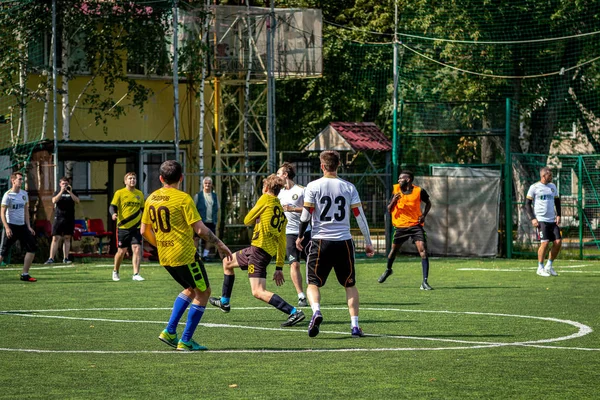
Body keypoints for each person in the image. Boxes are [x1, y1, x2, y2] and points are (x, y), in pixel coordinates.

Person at [141, 160, 233, 351]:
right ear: (181, 178)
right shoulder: (183, 199)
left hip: (165, 256)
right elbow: (200, 229)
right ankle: (186, 340)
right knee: (204, 292)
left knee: (191, 289)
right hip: (185, 256)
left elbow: (143, 231)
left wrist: (160, 244)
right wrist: (220, 244)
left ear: (160, 178)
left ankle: (170, 331)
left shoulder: (151, 198)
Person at [208, 174, 306, 328]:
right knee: (227, 262)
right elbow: (281, 242)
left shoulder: (265, 199)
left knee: (258, 291)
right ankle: (224, 302)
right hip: (262, 251)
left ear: (266, 188)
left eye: (263, 186)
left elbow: (247, 220)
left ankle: (294, 312)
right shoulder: (281, 212)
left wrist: (258, 216)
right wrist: (279, 267)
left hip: (259, 251)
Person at [296, 150, 375, 338]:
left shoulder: (313, 186)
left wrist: (300, 236)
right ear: (338, 165)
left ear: (322, 166)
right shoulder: (349, 187)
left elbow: (306, 215)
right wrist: (369, 241)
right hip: (344, 242)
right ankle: (355, 326)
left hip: (320, 240)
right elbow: (360, 217)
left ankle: (316, 311)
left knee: (313, 283)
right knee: (350, 285)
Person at [377, 170, 433, 290]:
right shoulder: (396, 190)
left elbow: (428, 203)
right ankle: (388, 270)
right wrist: (393, 201)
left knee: (423, 250)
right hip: (400, 226)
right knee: (393, 251)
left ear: (408, 180)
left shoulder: (419, 191)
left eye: (401, 178)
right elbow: (388, 208)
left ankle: (424, 282)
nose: (398, 180)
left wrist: (424, 215)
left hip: (415, 225)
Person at [276, 162, 310, 307]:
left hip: (305, 232)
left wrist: (293, 209)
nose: (277, 176)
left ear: (285, 175)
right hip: (288, 233)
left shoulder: (302, 190)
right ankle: (301, 295)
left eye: (279, 174)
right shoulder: (279, 193)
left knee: (311, 264)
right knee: (294, 264)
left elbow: (310, 209)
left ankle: (312, 290)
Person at [0, 172, 37, 281]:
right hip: (11, 226)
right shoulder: (8, 195)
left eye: (22, 179)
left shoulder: (24, 194)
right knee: (3, 252)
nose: (21, 181)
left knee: (32, 248)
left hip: (22, 226)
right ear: (13, 180)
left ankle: (25, 274)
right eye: (19, 179)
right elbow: (2, 213)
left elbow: (26, 211)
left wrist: (29, 226)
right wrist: (6, 227)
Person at [525, 166, 561, 277]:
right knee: (544, 243)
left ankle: (549, 266)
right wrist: (533, 218)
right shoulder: (534, 187)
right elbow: (527, 204)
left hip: (552, 220)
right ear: (543, 175)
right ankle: (540, 267)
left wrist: (559, 215)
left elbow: (557, 201)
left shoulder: (553, 186)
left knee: (558, 242)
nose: (551, 177)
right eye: (550, 175)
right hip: (541, 220)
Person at [110, 172, 145, 281]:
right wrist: (113, 214)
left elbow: (143, 210)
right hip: (123, 227)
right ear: (125, 181)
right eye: (130, 178)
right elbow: (112, 206)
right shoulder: (119, 193)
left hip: (136, 227)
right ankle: (115, 271)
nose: (132, 180)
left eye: (134, 178)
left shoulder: (139, 194)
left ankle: (136, 274)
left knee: (137, 248)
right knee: (121, 251)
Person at [45, 177, 80, 264]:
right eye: (63, 184)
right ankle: (51, 258)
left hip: (69, 218)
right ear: (60, 184)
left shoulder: (72, 192)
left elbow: (77, 201)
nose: (65, 185)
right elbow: (54, 200)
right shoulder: (57, 192)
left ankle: (66, 258)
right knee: (56, 238)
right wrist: (61, 191)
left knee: (67, 238)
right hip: (59, 218)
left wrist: (70, 192)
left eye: (66, 183)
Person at [193, 177, 218, 261]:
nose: (207, 185)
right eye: (206, 183)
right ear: (203, 185)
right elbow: (193, 208)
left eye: (209, 183)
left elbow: (217, 208)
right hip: (200, 221)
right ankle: (194, 255)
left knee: (210, 239)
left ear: (211, 184)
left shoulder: (214, 196)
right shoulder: (198, 196)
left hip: (211, 221)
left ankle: (205, 255)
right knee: (196, 238)